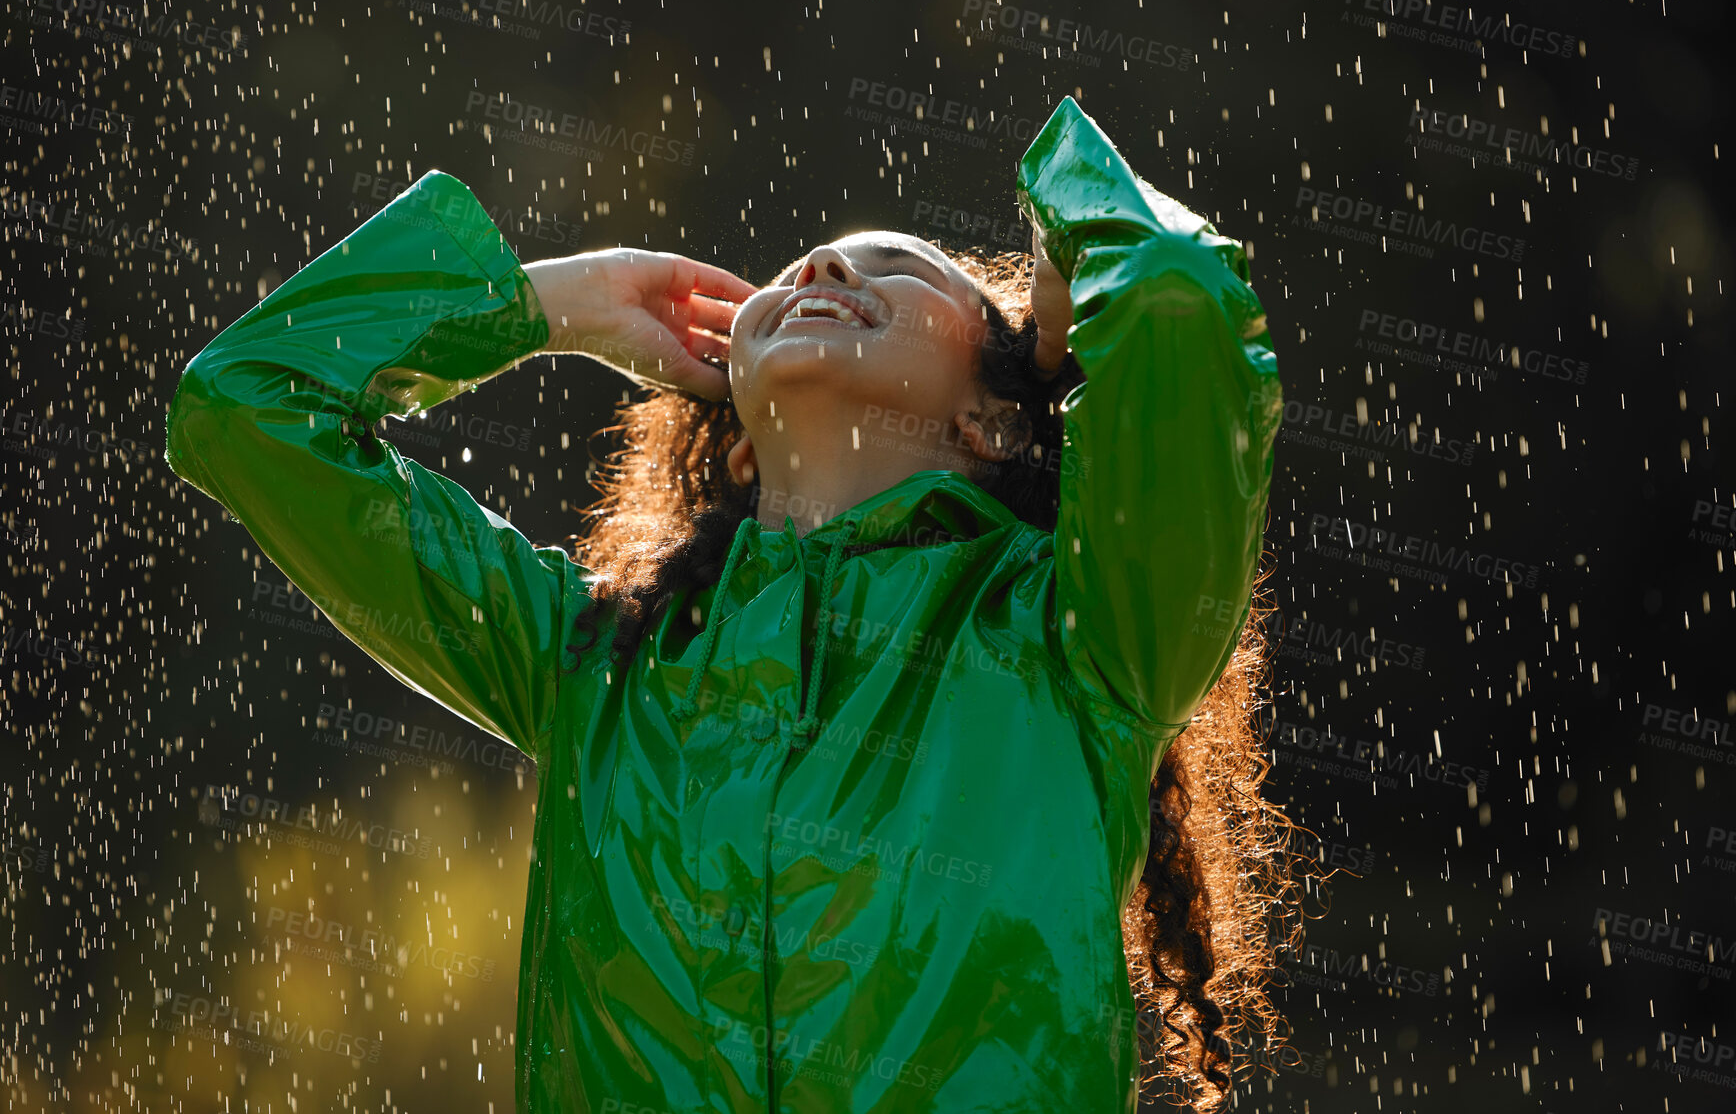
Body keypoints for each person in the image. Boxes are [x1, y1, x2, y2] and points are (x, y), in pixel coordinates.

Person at [167, 95, 1299, 1112]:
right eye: (801, 268)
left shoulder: (1083, 641)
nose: (819, 268)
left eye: (896, 267)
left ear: (995, 421)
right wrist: (545, 306)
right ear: (738, 438)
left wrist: (1066, 259)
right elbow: (247, 408)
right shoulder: (592, 663)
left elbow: (1175, 297)